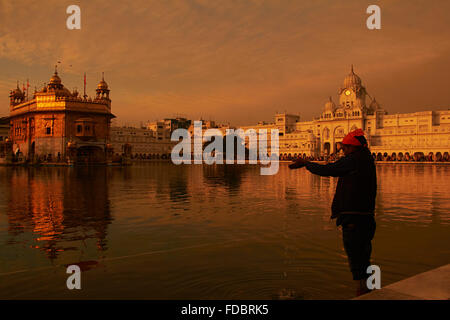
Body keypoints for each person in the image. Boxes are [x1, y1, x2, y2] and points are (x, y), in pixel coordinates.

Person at [289, 129, 377, 296]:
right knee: (364, 257)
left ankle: (363, 293)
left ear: (352, 147)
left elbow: (326, 170)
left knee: (356, 259)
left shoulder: (354, 160)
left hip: (354, 219)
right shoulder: (366, 160)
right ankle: (371, 290)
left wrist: (306, 163)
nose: (342, 150)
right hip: (366, 218)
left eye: (344, 147)